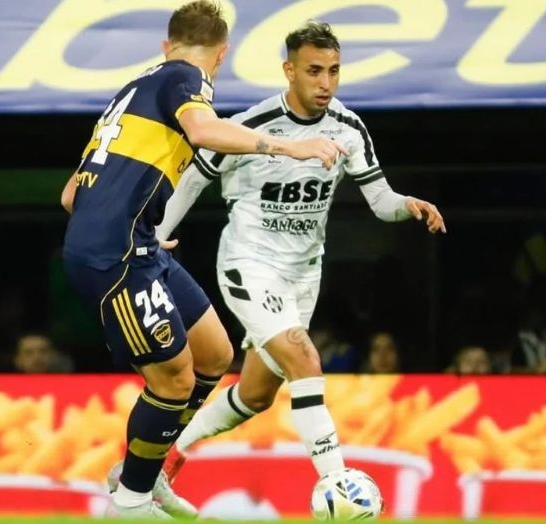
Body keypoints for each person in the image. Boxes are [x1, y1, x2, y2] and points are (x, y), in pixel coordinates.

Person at [60, 2, 345, 519]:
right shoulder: (184, 77)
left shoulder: (131, 91)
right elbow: (204, 131)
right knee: (173, 379)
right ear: (221, 54)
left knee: (214, 353)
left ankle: (147, 471)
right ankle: (131, 501)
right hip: (116, 254)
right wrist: (289, 148)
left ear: (166, 43)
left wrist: (134, 221)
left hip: (137, 243)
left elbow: (70, 196)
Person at [150, 20, 446, 505]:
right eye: (314, 71)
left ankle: (159, 464)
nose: (326, 82)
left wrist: (407, 204)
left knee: (255, 394)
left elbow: (380, 200)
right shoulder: (253, 124)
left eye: (334, 71)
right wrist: (159, 232)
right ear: (289, 71)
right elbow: (197, 175)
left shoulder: (348, 128)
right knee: (304, 358)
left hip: (303, 275)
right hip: (249, 262)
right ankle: (338, 485)